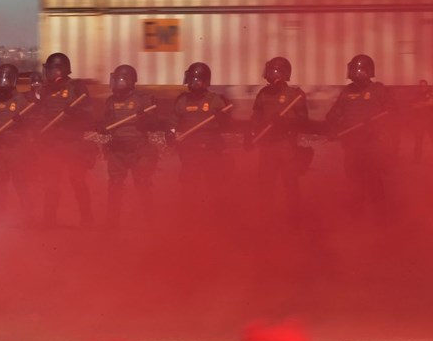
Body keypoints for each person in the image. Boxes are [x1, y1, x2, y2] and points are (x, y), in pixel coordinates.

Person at [325, 54, 396, 221]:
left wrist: (376, 123)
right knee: (354, 181)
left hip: (373, 144)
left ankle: (380, 217)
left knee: (374, 180)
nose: (356, 74)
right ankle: (356, 217)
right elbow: (333, 115)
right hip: (352, 146)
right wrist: (333, 128)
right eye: (354, 70)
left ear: (368, 71)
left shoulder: (378, 90)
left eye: (359, 70)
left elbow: (392, 112)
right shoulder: (346, 92)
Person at [244, 57, 310, 223]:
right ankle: (266, 218)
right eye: (270, 72)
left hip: (286, 145)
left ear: (283, 74)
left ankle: (295, 219)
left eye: (274, 72)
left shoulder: (294, 94)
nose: (270, 76)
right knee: (266, 184)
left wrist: (286, 121)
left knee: (290, 183)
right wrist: (249, 134)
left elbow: (304, 119)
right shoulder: (263, 94)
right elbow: (255, 118)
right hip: (267, 146)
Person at [37, 52, 95, 227]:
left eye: (51, 70)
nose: (47, 74)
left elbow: (89, 113)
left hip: (73, 143)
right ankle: (49, 220)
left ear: (59, 71)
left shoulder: (77, 88)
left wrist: (76, 113)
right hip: (52, 144)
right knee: (51, 183)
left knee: (77, 181)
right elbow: (41, 114)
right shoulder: (45, 90)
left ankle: (87, 218)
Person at [166, 61, 232, 216]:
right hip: (190, 150)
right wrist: (170, 133)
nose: (194, 84)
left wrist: (223, 118)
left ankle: (220, 217)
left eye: (197, 80)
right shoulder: (182, 100)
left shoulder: (215, 100)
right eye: (192, 80)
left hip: (211, 150)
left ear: (205, 81)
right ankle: (190, 217)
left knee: (214, 185)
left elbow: (227, 124)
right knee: (189, 185)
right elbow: (172, 121)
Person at [99, 64, 158, 228]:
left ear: (129, 81)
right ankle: (112, 223)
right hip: (117, 150)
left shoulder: (143, 99)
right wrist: (102, 127)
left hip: (138, 149)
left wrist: (145, 119)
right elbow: (105, 121)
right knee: (115, 186)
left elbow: (155, 124)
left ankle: (151, 223)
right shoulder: (111, 101)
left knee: (143, 185)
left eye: (120, 80)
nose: (117, 83)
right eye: (116, 80)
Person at [0, 63, 35, 220]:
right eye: (1, 79)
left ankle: (27, 213)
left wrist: (22, 121)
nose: (3, 83)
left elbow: (32, 123)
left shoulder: (21, 100)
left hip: (16, 149)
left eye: (6, 79)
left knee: (20, 181)